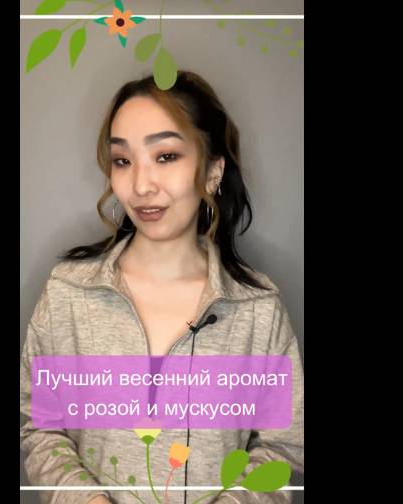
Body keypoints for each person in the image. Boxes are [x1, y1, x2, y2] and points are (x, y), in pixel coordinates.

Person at [20, 71, 304, 504]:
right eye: (123, 160)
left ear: (212, 171)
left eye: (166, 156)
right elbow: (39, 426)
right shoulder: (68, 295)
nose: (140, 186)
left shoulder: (258, 309)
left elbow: (282, 449)